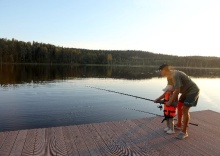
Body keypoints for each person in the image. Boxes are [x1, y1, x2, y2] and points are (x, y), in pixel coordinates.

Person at [154, 64, 200, 140]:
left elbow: (177, 90)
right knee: (179, 106)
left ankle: (184, 132)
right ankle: (179, 124)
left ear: (165, 70)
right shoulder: (169, 77)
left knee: (185, 109)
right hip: (185, 92)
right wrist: (158, 99)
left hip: (193, 91)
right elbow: (168, 91)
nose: (160, 72)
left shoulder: (174, 75)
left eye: (160, 70)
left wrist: (170, 102)